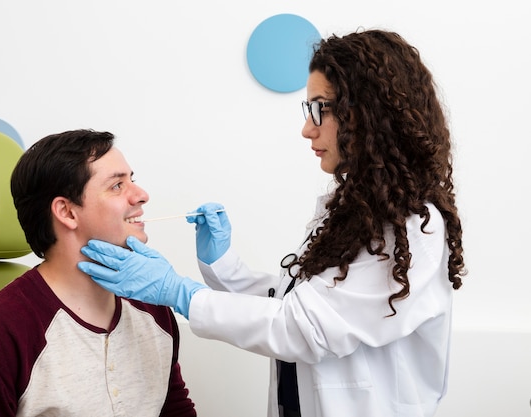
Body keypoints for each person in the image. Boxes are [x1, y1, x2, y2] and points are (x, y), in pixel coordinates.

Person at [78, 29, 466, 417]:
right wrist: (224, 266)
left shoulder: (413, 228)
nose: (306, 129)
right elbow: (296, 305)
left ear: (367, 114)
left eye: (320, 109)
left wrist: (179, 292)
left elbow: (303, 328)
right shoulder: (351, 210)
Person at [0, 129, 197, 417]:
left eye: (131, 180)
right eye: (117, 186)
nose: (142, 195)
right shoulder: (1, 332)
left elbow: (173, 407)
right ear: (67, 212)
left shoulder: (152, 306)